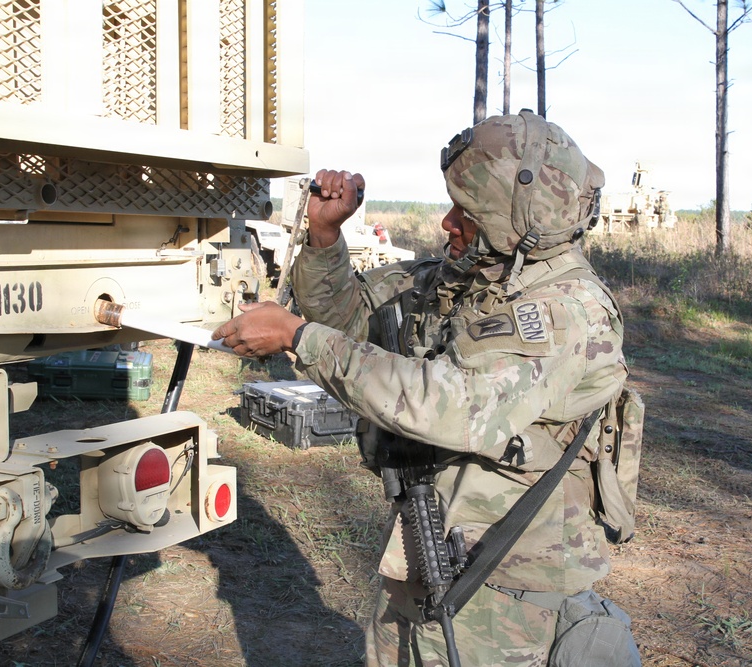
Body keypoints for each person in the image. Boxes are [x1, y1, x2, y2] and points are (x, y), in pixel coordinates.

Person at [212, 110, 640, 666]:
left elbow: (451, 405)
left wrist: (299, 337)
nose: (447, 221)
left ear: (522, 214)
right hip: (430, 552)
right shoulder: (470, 279)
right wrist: (324, 236)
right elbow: (351, 320)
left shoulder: (564, 311)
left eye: (469, 209)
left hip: (504, 588)